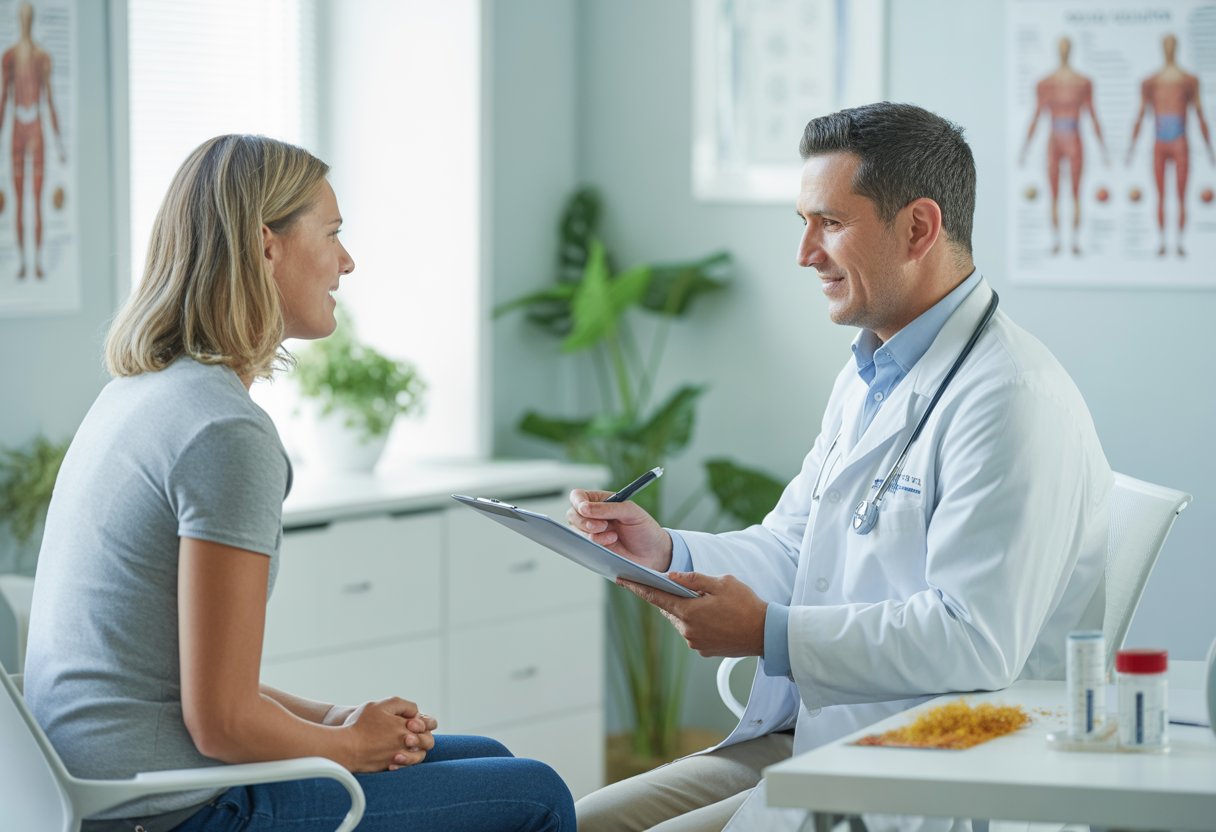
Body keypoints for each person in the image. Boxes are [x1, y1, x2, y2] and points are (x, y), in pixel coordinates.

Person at [570, 103, 1112, 832]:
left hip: (925, 764)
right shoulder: (871, 372)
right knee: (571, 822)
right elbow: (795, 544)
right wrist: (667, 552)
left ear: (918, 228)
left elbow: (975, 640)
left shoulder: (1011, 398)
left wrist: (771, 634)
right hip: (826, 733)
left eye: (828, 222)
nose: (804, 252)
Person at [24, 135, 575, 832]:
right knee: (538, 794)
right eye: (334, 233)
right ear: (266, 247)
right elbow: (221, 722)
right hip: (174, 813)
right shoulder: (225, 432)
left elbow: (184, 683)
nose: (349, 261)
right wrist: (348, 745)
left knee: (486, 758)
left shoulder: (139, 395)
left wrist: (335, 719)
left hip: (97, 792)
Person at [1127, 33, 1215, 257]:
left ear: (1176, 47)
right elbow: (1140, 115)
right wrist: (1131, 148)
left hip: (1180, 142)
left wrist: (1210, 149)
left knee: (1181, 195)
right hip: (1160, 143)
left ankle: (1180, 243)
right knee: (1161, 195)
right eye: (1165, 44)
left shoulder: (1188, 80)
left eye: (1172, 44)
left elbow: (1200, 114)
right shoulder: (1150, 82)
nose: (1169, 48)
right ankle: (1162, 242)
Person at [1019, 36, 1108, 256]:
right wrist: (1025, 148)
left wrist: (1103, 148)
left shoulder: (1083, 83)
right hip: (1055, 141)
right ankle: (1057, 241)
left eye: (1067, 47)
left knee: (1076, 193)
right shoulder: (1046, 83)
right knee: (1054, 195)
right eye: (1061, 47)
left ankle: (1075, 241)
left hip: (1074, 139)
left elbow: (1093, 115)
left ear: (1071, 50)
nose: (1064, 51)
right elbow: (1037, 116)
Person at [0, 1, 65, 279]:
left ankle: (36, 262)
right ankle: (23, 263)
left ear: (32, 20)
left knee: (36, 201)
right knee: (18, 200)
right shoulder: (10, 57)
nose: (25, 21)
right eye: (22, 16)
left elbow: (49, 99)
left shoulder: (42, 57)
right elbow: (4, 98)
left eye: (29, 16)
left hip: (36, 128)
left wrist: (59, 143)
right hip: (18, 125)